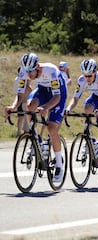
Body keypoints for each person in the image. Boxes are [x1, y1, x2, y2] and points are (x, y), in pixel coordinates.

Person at [5, 52, 68, 182]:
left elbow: (57, 97)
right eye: (26, 71)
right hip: (43, 90)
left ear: (37, 67)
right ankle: (36, 138)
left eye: (31, 72)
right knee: (29, 106)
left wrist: (45, 108)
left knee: (51, 129)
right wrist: (12, 107)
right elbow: (20, 95)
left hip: (58, 94)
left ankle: (59, 165)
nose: (28, 75)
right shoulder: (24, 71)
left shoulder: (50, 70)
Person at [65, 58, 98, 181]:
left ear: (95, 72)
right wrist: (68, 108)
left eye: (90, 76)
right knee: (87, 109)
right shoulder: (81, 80)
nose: (87, 78)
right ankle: (90, 141)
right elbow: (75, 99)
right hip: (96, 96)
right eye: (85, 76)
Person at [13, 67, 32, 136]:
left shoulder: (16, 79)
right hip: (25, 99)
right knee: (27, 116)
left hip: (18, 98)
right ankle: (27, 131)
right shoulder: (24, 79)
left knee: (20, 116)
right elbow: (28, 89)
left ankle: (19, 132)